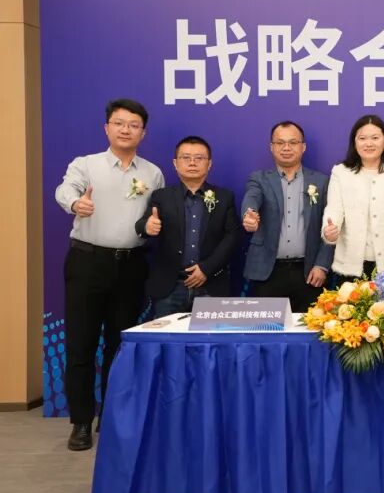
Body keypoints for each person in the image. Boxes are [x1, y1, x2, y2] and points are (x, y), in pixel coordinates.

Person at [54, 99, 164, 451]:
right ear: (107, 128)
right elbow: (64, 190)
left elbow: (154, 215)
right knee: (81, 344)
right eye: (119, 123)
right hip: (88, 262)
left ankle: (114, 417)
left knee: (121, 346)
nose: (125, 129)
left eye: (133, 125)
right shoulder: (85, 165)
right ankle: (81, 422)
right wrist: (76, 204)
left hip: (131, 265)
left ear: (143, 133)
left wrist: (152, 226)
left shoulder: (153, 174)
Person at [136, 136, 241, 317]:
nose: (192, 163)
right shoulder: (161, 196)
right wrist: (147, 226)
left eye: (199, 158)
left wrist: (206, 268)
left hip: (210, 284)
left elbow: (232, 236)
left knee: (210, 336)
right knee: (168, 335)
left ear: (209, 164)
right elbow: (141, 225)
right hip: (170, 286)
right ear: (175, 163)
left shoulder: (224, 197)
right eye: (186, 158)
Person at [240, 121, 334, 314]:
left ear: (303, 146)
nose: (286, 148)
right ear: (271, 147)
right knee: (266, 328)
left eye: (293, 142)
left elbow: (330, 227)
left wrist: (322, 265)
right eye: (280, 143)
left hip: (309, 272)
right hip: (268, 271)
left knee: (310, 328)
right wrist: (249, 215)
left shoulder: (321, 181)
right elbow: (251, 198)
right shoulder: (259, 178)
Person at [321, 114, 384, 279]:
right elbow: (334, 209)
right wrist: (329, 231)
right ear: (355, 142)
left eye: (375, 138)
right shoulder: (341, 172)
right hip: (349, 267)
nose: (369, 143)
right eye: (362, 138)